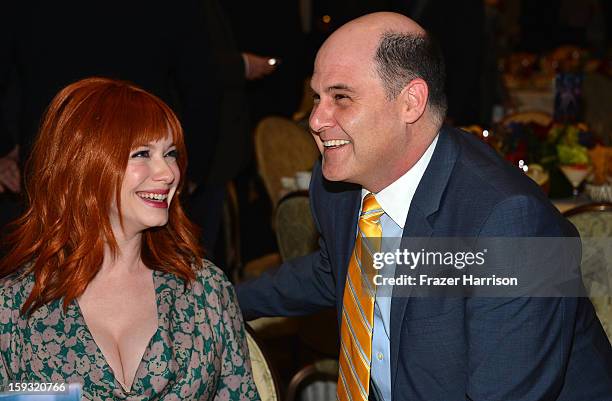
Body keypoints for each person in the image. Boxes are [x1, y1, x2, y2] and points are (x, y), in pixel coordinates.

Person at [236, 12, 612, 401]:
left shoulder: (510, 224)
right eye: (317, 96)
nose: (315, 119)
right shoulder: (342, 186)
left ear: (411, 102)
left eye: (341, 98)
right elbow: (336, 270)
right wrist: (220, 298)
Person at [0, 78, 259, 400]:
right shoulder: (14, 309)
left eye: (171, 153)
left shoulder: (204, 290)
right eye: (142, 154)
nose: (167, 173)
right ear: (84, 165)